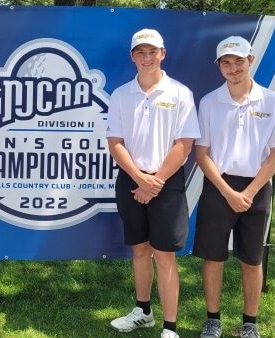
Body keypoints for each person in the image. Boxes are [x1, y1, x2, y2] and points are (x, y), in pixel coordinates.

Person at [106, 28, 200, 338]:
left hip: (166, 183)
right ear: (132, 56)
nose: (147, 58)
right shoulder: (121, 94)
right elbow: (116, 143)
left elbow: (183, 144)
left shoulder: (180, 93)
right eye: (140, 52)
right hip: (131, 180)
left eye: (152, 52)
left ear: (163, 54)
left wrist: (154, 182)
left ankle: (170, 327)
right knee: (140, 250)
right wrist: (139, 179)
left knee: (165, 255)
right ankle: (143, 312)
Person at [194, 36, 275, 338]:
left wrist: (248, 192)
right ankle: (213, 320)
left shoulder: (273, 101)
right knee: (213, 256)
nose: (233, 68)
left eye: (238, 61)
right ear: (219, 66)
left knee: (252, 259)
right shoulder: (209, 102)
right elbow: (202, 153)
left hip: (256, 188)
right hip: (219, 187)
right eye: (226, 62)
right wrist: (228, 192)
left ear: (251, 61)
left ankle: (250, 324)